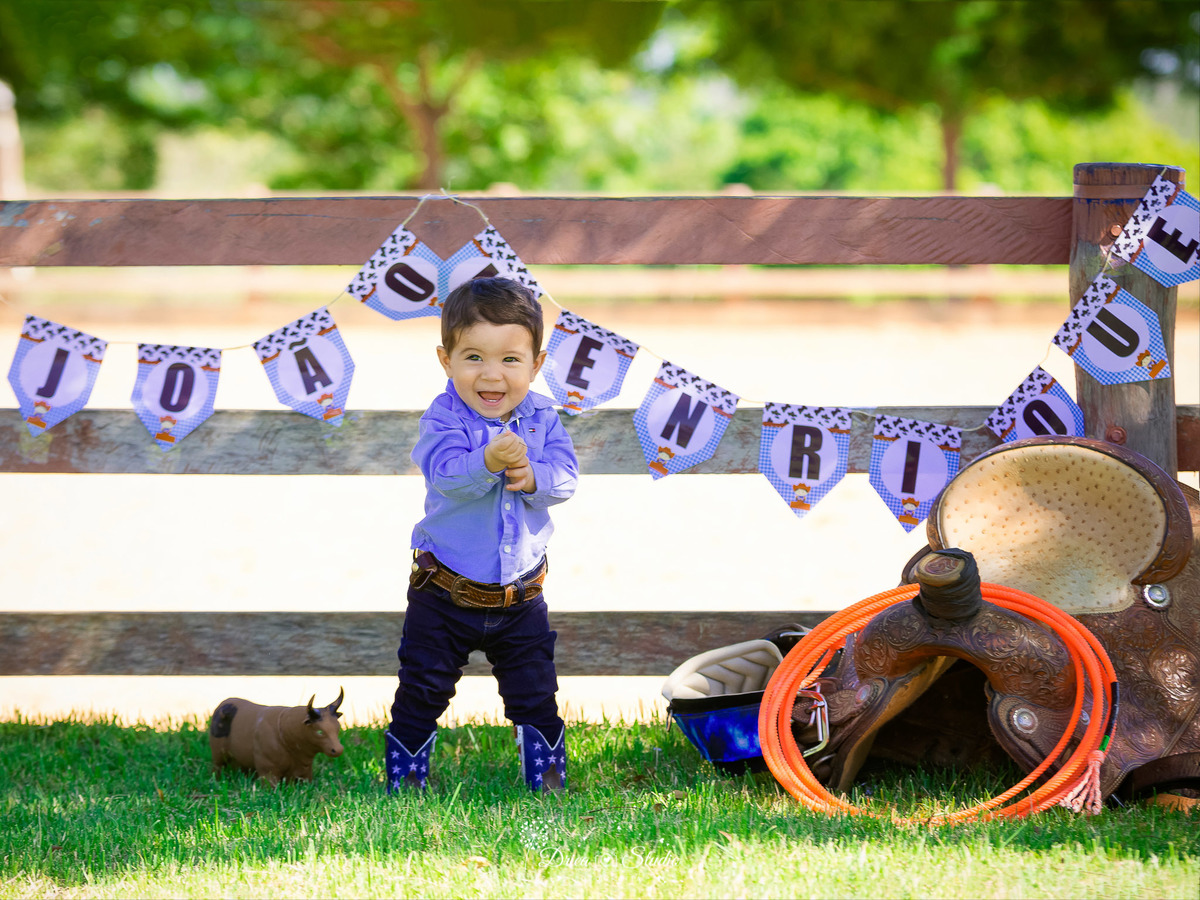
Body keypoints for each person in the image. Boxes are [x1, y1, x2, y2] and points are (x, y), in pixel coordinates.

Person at [385, 276, 579, 793]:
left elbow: (566, 477)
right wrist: (488, 460)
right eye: (473, 357)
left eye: (510, 360)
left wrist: (535, 476)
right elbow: (446, 475)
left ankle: (548, 779)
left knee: (535, 689)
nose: (491, 375)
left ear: (536, 364)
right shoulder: (443, 418)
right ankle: (404, 781)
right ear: (446, 359)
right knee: (423, 685)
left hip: (521, 594)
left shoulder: (542, 416)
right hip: (444, 591)